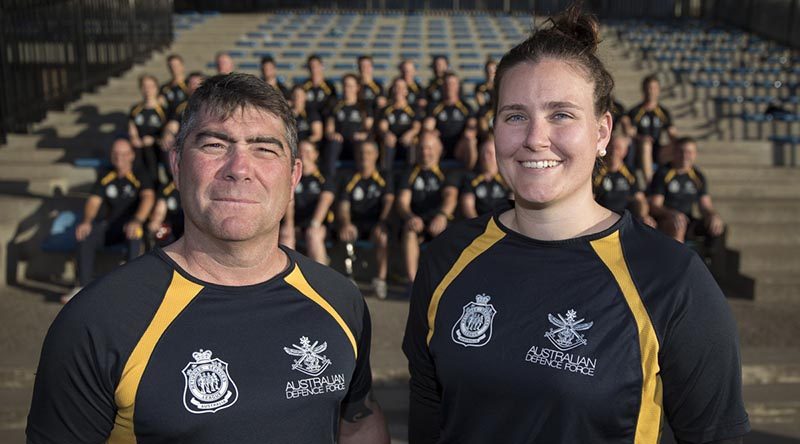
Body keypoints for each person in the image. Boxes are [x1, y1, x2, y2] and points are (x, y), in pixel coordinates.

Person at [403, 6, 749, 444]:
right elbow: (428, 410)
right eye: (514, 115)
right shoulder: (446, 257)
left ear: (602, 133)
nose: (535, 137)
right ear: (493, 129)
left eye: (561, 114)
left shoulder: (671, 279)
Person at [29, 73, 389, 444]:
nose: (239, 168)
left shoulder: (339, 299)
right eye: (215, 144)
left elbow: (358, 421)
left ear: (294, 175)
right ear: (177, 164)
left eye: (265, 148)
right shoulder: (98, 320)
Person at [61, 137, 155, 303]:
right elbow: (93, 201)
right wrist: (87, 221)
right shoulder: (106, 175)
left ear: (132, 155)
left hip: (132, 227)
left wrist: (137, 220)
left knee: (135, 233)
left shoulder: (140, 174)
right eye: (116, 154)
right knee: (85, 233)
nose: (120, 158)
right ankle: (82, 287)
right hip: (110, 227)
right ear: (111, 156)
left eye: (124, 154)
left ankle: (132, 288)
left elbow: (148, 197)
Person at [649, 136, 726, 277]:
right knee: (678, 224)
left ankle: (708, 268)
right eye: (681, 151)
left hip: (688, 219)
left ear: (695, 154)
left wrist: (713, 215)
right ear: (675, 153)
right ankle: (675, 273)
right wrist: (672, 214)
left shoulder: (697, 176)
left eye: (689, 152)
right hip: (666, 219)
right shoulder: (663, 173)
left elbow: (705, 205)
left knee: (717, 225)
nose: (685, 156)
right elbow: (654, 206)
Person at [396, 131, 458, 285]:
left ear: (439, 150)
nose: (425, 152)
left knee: (446, 233)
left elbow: (450, 198)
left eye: (430, 148)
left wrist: (442, 215)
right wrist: (410, 217)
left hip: (440, 220)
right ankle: (414, 283)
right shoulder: (409, 172)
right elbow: (402, 202)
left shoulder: (447, 173)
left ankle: (443, 283)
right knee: (409, 231)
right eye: (422, 148)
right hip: (417, 220)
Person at [336, 140, 394, 299]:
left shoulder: (384, 176)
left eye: (368, 153)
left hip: (376, 223)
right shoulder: (349, 177)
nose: (364, 156)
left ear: (376, 155)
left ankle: (380, 280)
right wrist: (346, 223)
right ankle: (349, 278)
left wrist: (382, 223)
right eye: (361, 153)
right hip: (355, 223)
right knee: (347, 233)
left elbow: (389, 202)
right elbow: (343, 206)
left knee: (383, 236)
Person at [281, 139, 335, 265]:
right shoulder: (292, 176)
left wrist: (314, 224)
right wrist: (289, 224)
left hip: (319, 224)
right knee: (286, 234)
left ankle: (320, 278)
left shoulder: (324, 177)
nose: (304, 154)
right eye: (301, 151)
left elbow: (326, 200)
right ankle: (288, 277)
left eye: (308, 151)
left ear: (316, 154)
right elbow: (289, 200)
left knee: (313, 234)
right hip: (296, 224)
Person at [594, 132, 656, 227]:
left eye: (618, 148)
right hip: (600, 217)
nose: (614, 152)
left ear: (625, 151)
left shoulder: (631, 172)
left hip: (624, 217)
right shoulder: (595, 171)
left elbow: (640, 199)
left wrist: (644, 216)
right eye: (612, 147)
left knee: (649, 224)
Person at [624, 75, 677, 182]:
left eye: (654, 88)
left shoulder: (663, 112)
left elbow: (672, 133)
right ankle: (650, 183)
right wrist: (642, 138)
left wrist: (677, 143)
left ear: (658, 90)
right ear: (643, 90)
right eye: (648, 88)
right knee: (646, 144)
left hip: (658, 148)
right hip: (640, 148)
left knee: (680, 147)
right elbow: (631, 133)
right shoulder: (636, 111)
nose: (651, 91)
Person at [323, 73, 373, 180]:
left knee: (363, 145)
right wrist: (332, 134)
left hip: (355, 143)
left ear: (357, 88)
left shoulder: (363, 106)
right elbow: (329, 129)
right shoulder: (335, 105)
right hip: (340, 144)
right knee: (333, 144)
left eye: (350, 86)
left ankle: (361, 180)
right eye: (345, 85)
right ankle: (330, 180)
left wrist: (363, 134)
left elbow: (368, 129)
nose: (347, 89)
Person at [423, 72, 478, 169]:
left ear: (458, 86)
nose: (450, 87)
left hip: (459, 146)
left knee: (470, 140)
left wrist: (470, 132)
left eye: (453, 84)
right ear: (443, 86)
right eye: (447, 84)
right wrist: (431, 131)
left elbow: (472, 125)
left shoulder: (466, 107)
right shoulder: (435, 106)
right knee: (427, 137)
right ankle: (431, 172)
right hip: (440, 146)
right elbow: (428, 125)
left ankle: (469, 171)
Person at [128, 74, 169, 184]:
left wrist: (154, 139)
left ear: (156, 88)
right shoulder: (135, 109)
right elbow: (132, 130)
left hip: (157, 146)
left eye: (151, 86)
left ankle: (157, 185)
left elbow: (167, 131)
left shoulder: (163, 110)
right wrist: (135, 138)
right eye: (144, 86)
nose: (147, 90)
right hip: (140, 146)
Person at [377, 77, 422, 171]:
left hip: (406, 142)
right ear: (392, 89)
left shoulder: (413, 109)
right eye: (396, 87)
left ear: (406, 91)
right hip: (391, 143)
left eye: (402, 88)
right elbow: (383, 127)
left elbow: (416, 127)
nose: (399, 90)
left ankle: (410, 174)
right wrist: (387, 134)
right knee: (387, 142)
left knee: (412, 141)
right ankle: (386, 175)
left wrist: (409, 134)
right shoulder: (386, 109)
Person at [459, 137, 510, 218]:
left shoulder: (507, 178)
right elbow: (468, 206)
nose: (485, 157)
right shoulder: (470, 178)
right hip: (479, 224)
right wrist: (478, 225)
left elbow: (514, 203)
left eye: (489, 153)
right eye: (483, 153)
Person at [302, 54, 338, 119]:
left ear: (322, 66)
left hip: (325, 120)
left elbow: (333, 106)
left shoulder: (330, 86)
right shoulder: (304, 86)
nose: (314, 69)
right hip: (308, 120)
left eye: (316, 66)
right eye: (311, 67)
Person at [160, 54, 189, 118]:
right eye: (171, 66)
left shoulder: (189, 84)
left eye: (176, 65)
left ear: (182, 66)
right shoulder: (164, 88)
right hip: (170, 121)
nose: (174, 68)